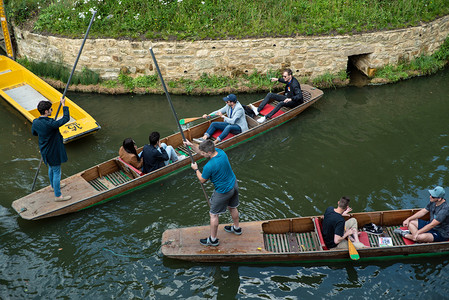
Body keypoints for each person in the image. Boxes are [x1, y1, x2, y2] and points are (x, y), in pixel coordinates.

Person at [184, 139, 241, 246]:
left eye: (203, 154)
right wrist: (191, 145)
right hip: (233, 184)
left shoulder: (209, 166)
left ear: (209, 153)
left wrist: (196, 169)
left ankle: (213, 240)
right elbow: (201, 150)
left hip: (223, 191)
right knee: (232, 207)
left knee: (213, 215)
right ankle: (236, 228)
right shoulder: (221, 152)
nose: (201, 154)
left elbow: (202, 180)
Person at [31, 99, 71, 202]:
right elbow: (66, 118)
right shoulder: (51, 123)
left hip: (44, 150)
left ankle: (53, 186)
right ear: (46, 112)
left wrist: (44, 134)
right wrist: (63, 105)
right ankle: (58, 196)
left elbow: (34, 133)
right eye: (50, 109)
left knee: (51, 168)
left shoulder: (35, 122)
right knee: (57, 171)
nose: (51, 110)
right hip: (53, 151)